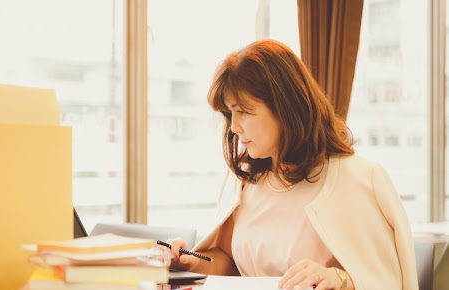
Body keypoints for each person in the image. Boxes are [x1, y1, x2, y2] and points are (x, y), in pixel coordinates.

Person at [158, 39, 418, 290]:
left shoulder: (359, 180)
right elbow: (231, 262)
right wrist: (191, 261)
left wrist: (338, 278)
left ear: (285, 108)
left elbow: (388, 280)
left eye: (244, 111)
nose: (235, 127)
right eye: (230, 113)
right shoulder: (244, 182)